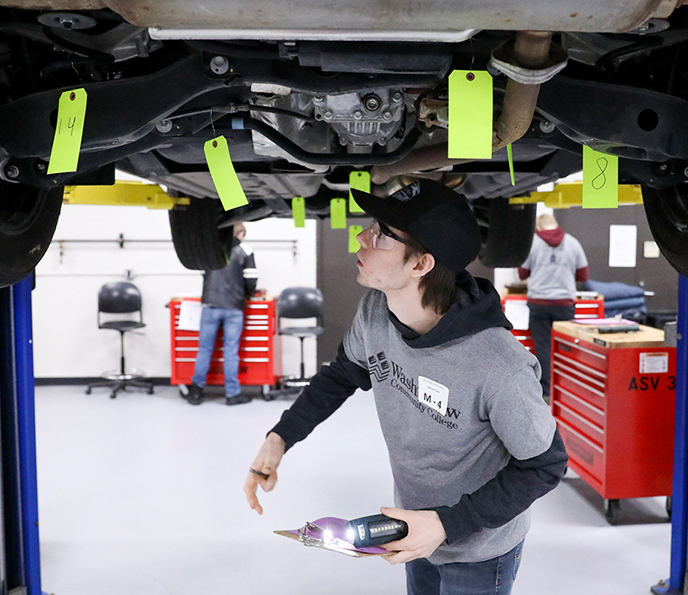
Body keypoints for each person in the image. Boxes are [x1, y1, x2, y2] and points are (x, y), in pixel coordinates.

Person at [244, 180, 568, 595]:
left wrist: (446, 524)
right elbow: (343, 374)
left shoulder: (499, 365)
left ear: (420, 265)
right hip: (415, 529)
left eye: (381, 234)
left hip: (480, 547)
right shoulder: (377, 311)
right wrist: (279, 438)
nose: (362, 237)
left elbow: (545, 464)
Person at [518, 213, 589, 399]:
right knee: (566, 347)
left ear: (539, 227)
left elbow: (522, 272)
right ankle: (567, 388)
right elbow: (583, 275)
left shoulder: (531, 243)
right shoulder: (573, 243)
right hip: (565, 304)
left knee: (543, 347)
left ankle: (547, 391)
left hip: (539, 304)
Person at [185, 223, 258, 406]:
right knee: (230, 350)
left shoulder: (210, 251)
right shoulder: (246, 251)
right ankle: (232, 395)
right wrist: (246, 293)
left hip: (210, 304)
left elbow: (204, 274)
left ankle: (195, 392)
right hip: (233, 307)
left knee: (204, 349)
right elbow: (251, 282)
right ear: (240, 233)